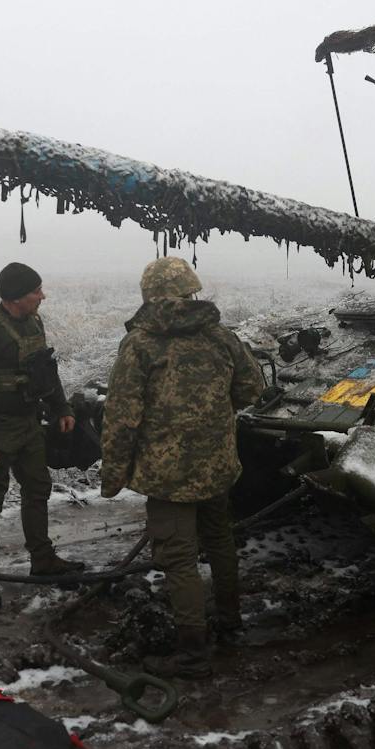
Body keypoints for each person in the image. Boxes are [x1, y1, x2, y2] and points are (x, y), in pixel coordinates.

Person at [98, 257, 266, 680]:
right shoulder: (221, 336)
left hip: (168, 476)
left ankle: (192, 652)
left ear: (148, 295)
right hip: (217, 465)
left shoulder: (140, 344)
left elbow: (122, 417)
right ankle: (230, 623)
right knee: (220, 540)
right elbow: (252, 388)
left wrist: (113, 476)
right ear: (192, 290)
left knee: (178, 557)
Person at [0, 262, 84, 611]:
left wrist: (62, 408)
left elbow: (45, 372)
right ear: (16, 296)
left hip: (29, 425)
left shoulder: (34, 323)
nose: (42, 296)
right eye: (35, 291)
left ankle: (42, 560)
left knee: (38, 490)